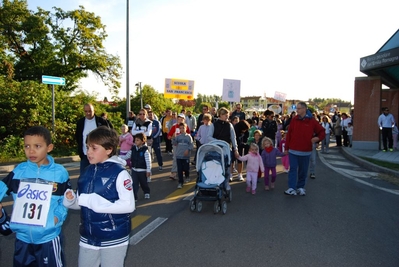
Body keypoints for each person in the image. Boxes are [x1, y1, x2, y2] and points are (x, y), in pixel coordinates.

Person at [64, 126, 135, 267]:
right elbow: (83, 203)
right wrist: (71, 201)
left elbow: (129, 205)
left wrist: (95, 202)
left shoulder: (120, 173)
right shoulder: (86, 172)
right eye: (87, 147)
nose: (88, 152)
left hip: (113, 237)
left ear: (109, 149)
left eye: (94, 148)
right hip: (88, 236)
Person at [0, 126, 70, 266]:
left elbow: (66, 200)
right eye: (27, 146)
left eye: (37, 146)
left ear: (49, 147)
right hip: (22, 238)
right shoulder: (18, 171)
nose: (31, 151)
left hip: (48, 238)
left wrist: (56, 217)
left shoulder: (59, 173)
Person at [284, 102, 326, 196]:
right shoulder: (294, 120)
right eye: (297, 109)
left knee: (303, 171)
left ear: (304, 109)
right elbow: (289, 134)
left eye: (299, 108)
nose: (297, 110)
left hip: (305, 151)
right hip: (293, 150)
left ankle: (300, 187)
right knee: (293, 169)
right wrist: (286, 148)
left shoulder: (312, 121)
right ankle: (291, 188)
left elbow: (322, 131)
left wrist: (317, 138)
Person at [207, 107, 240, 188]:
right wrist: (218, 141)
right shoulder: (213, 125)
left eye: (227, 115)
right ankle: (215, 183)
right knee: (216, 166)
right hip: (215, 149)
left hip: (226, 149)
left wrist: (236, 149)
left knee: (226, 167)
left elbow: (233, 138)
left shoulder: (230, 125)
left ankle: (226, 183)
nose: (227, 117)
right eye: (225, 115)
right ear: (221, 115)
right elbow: (209, 137)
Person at [76, 103, 110, 175]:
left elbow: (108, 135)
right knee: (84, 177)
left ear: (94, 111)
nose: (88, 113)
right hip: (85, 155)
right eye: (86, 111)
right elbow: (77, 136)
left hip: (99, 155)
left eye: (90, 111)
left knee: (100, 176)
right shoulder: (80, 122)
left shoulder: (101, 121)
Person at [120, 132, 152, 200]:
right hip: (134, 170)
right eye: (135, 140)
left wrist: (148, 171)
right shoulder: (133, 149)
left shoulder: (145, 150)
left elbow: (148, 161)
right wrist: (118, 157)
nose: (135, 142)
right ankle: (134, 197)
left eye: (138, 140)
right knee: (134, 184)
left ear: (143, 141)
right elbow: (126, 156)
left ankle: (146, 192)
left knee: (144, 183)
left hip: (142, 171)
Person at [167, 114, 191, 180]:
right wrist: (173, 137)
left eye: (182, 119)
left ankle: (184, 172)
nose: (180, 120)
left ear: (184, 120)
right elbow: (169, 137)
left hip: (184, 146)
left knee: (184, 159)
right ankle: (173, 173)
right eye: (179, 119)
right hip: (176, 146)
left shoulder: (186, 127)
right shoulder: (174, 126)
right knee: (175, 158)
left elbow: (189, 136)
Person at [172, 123, 194, 188]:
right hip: (179, 155)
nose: (182, 129)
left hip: (186, 156)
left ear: (186, 128)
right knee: (180, 169)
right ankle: (180, 182)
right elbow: (174, 143)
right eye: (180, 128)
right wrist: (173, 138)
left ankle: (187, 175)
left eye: (183, 128)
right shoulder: (178, 137)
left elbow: (191, 145)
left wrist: (188, 149)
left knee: (186, 168)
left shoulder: (188, 137)